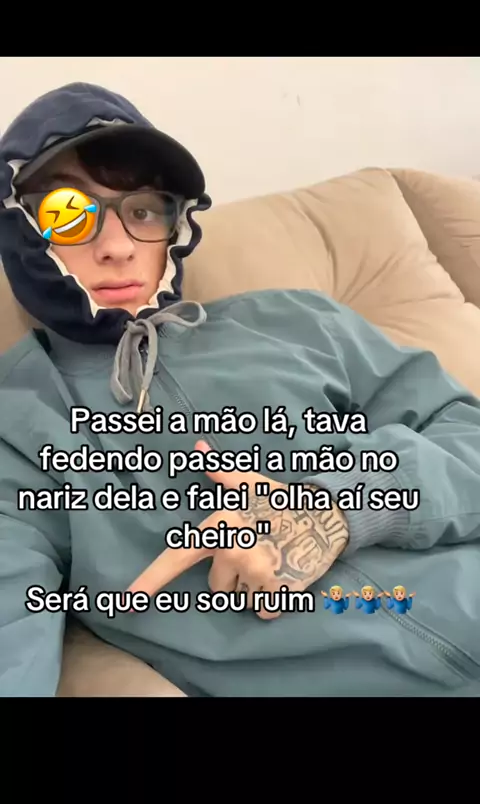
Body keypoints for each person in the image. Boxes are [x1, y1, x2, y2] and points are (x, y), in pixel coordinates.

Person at [0, 81, 479, 698]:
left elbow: (466, 435)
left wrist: (337, 507)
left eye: (142, 211)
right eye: (68, 214)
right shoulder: (19, 422)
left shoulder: (298, 320)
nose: (117, 247)